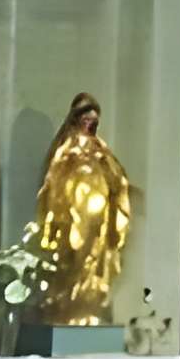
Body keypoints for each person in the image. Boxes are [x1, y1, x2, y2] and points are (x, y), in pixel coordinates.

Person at [33, 93, 133, 326]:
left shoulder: (100, 148)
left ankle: (88, 304)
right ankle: (68, 304)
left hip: (99, 215)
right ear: (76, 120)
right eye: (85, 121)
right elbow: (53, 180)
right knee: (73, 256)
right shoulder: (66, 147)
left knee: (95, 256)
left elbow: (117, 177)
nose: (89, 125)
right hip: (73, 213)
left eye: (93, 122)